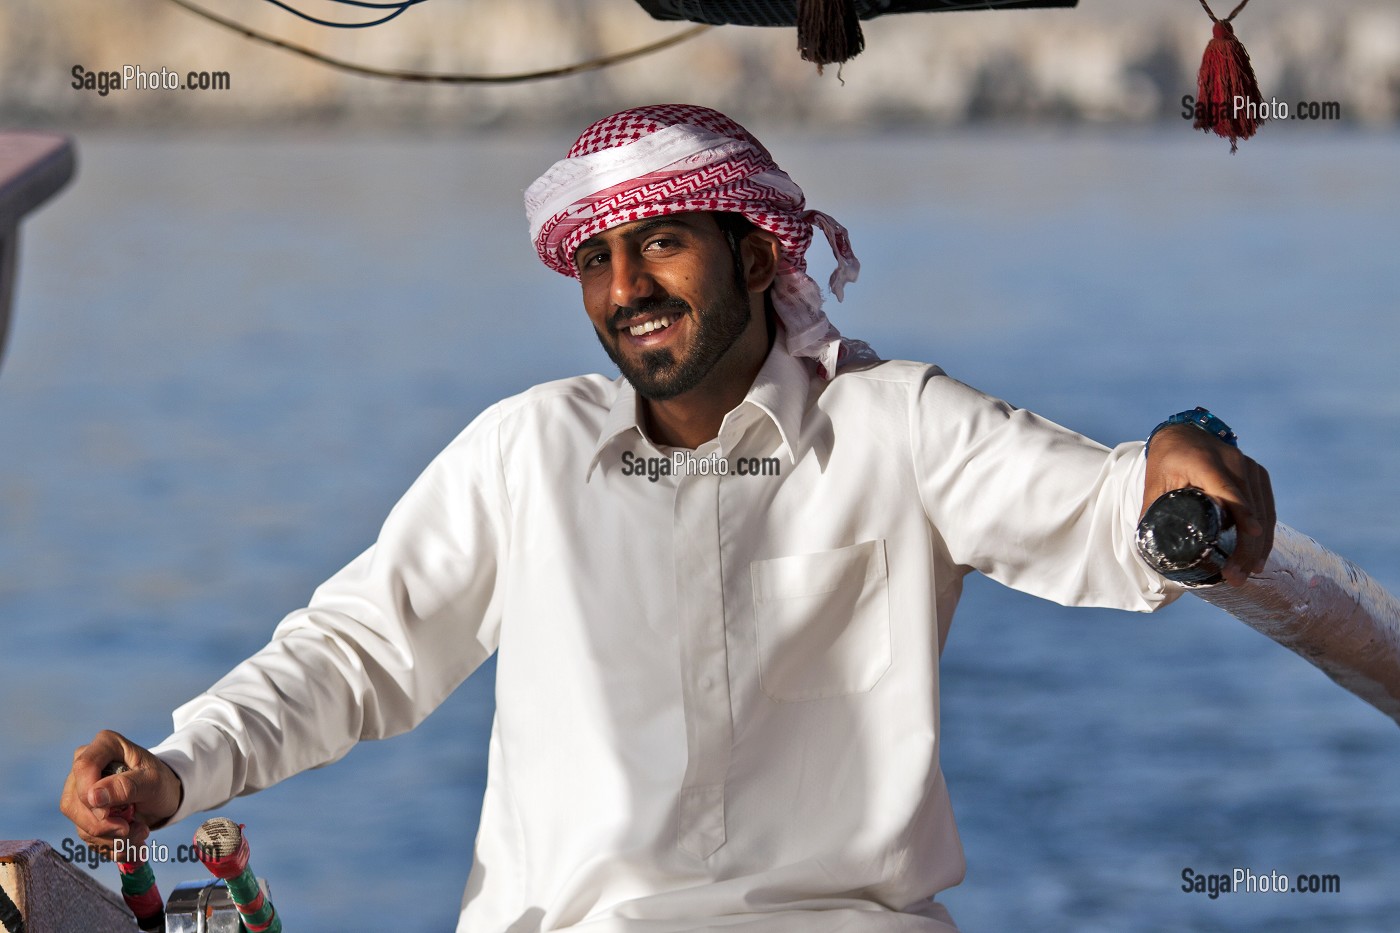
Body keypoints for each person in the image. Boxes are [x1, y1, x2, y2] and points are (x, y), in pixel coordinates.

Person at [60, 104, 1274, 932]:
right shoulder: (528, 451)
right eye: (596, 259)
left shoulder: (895, 425)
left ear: (755, 258)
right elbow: (356, 653)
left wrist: (1182, 456)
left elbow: (1109, 511)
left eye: (661, 244)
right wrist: (180, 770)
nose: (625, 287)